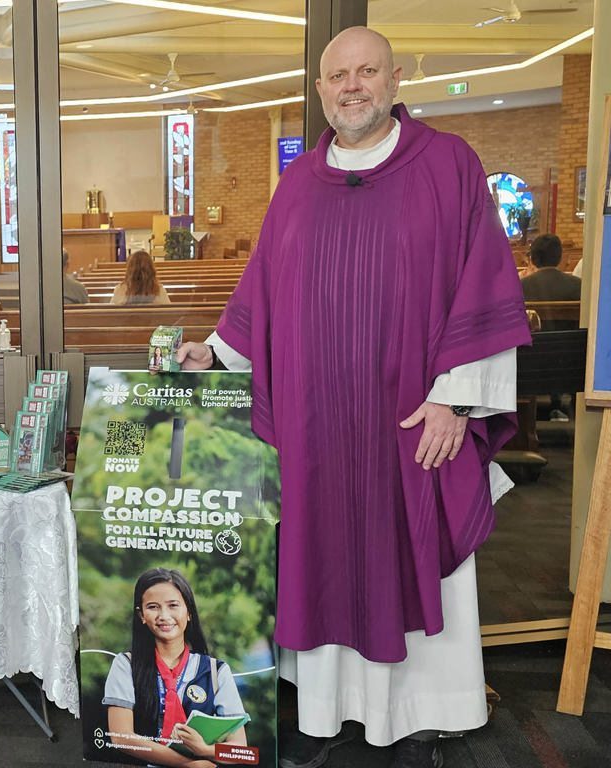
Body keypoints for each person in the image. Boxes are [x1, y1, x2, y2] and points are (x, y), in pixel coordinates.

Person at [176, 27, 530, 768]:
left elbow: (485, 285)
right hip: (318, 427)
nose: (352, 86)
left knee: (412, 543)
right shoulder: (299, 184)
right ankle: (331, 710)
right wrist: (216, 352)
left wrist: (455, 399)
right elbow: (261, 295)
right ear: (320, 91)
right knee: (323, 553)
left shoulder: (450, 167)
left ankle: (428, 708)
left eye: (367, 71)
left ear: (395, 79)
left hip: (412, 419)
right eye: (338, 75)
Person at [103, 568, 248, 767]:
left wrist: (204, 750)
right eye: (153, 607)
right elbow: (121, 737)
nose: (164, 615)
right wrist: (187, 765)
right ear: (141, 615)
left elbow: (240, 750)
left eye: (173, 605)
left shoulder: (216, 671)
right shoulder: (126, 665)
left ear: (188, 612)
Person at [520, 233, 581, 421]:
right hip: (570, 365)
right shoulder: (578, 286)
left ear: (533, 258)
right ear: (560, 257)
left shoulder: (521, 286)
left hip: (528, 364)